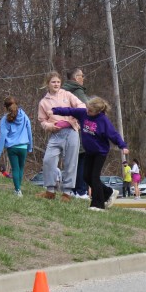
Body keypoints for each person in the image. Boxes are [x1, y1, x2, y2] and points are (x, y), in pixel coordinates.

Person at [51, 97, 129, 211]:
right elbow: (69, 110)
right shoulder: (83, 113)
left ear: (98, 111)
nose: (88, 111)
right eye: (87, 108)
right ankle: (109, 192)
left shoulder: (103, 120)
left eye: (91, 111)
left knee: (94, 177)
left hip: (100, 153)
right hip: (89, 151)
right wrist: (54, 110)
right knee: (86, 177)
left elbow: (113, 134)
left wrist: (123, 146)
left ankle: (98, 205)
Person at [37, 71, 85, 201]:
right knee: (48, 160)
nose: (56, 84)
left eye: (58, 82)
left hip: (71, 131)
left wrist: (75, 114)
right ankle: (50, 191)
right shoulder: (43, 102)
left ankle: (67, 193)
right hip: (55, 134)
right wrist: (49, 126)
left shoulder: (67, 95)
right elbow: (42, 121)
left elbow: (82, 106)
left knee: (71, 162)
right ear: (48, 83)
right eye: (53, 82)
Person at [0, 97, 34, 196]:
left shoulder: (4, 119)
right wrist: (30, 146)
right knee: (21, 168)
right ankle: (18, 188)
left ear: (5, 107)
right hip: (23, 146)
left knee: (15, 168)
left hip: (12, 147)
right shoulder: (24, 116)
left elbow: (2, 137)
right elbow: (29, 131)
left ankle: (17, 190)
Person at [62, 67, 91, 199]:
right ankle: (81, 191)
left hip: (65, 130)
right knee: (81, 160)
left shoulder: (62, 91)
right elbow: (88, 107)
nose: (83, 78)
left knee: (72, 161)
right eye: (81, 76)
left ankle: (72, 190)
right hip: (79, 130)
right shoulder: (77, 90)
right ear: (75, 78)